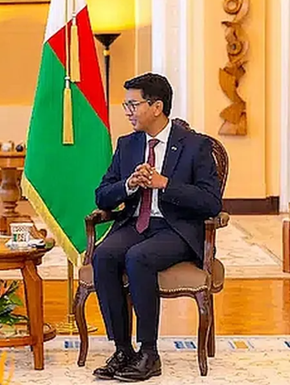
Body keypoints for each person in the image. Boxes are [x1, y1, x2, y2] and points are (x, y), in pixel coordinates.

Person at [91, 73, 222, 382]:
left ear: (156, 106)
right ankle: (123, 350)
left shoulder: (195, 146)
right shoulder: (127, 145)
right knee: (104, 254)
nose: (127, 111)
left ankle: (149, 353)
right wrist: (129, 184)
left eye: (132, 104)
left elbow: (211, 202)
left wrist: (165, 184)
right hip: (136, 223)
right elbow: (102, 195)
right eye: (126, 104)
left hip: (175, 229)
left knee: (139, 257)